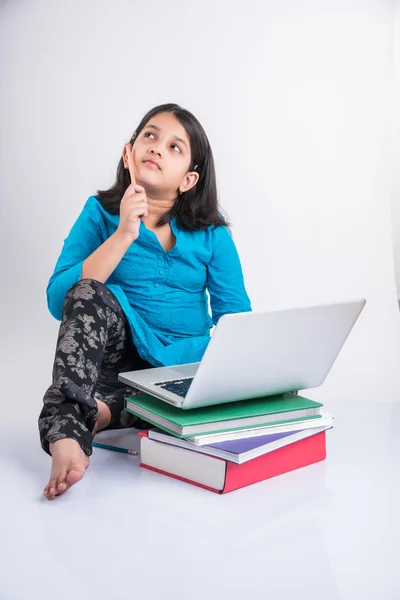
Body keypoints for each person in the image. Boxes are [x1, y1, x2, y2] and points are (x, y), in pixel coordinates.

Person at [39, 103, 252, 500]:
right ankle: (66, 426)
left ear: (189, 179)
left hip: (185, 367)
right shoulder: (100, 213)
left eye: (175, 146)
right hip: (119, 359)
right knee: (87, 290)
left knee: (184, 390)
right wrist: (123, 233)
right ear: (128, 152)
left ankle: (104, 413)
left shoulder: (213, 235)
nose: (156, 147)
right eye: (150, 136)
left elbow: (236, 321)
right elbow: (59, 300)